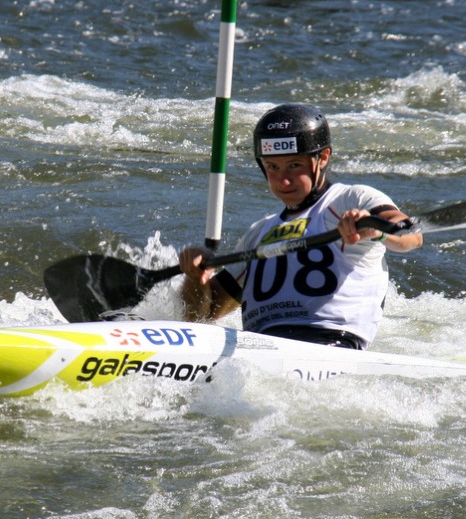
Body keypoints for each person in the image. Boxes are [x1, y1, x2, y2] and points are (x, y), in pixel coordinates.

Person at [178, 103, 423, 350]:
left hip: (331, 345)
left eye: (294, 165)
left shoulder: (350, 199)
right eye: (273, 167)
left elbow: (410, 235)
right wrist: (195, 276)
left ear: (323, 157)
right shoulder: (258, 233)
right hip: (260, 347)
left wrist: (376, 228)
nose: (283, 180)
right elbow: (201, 316)